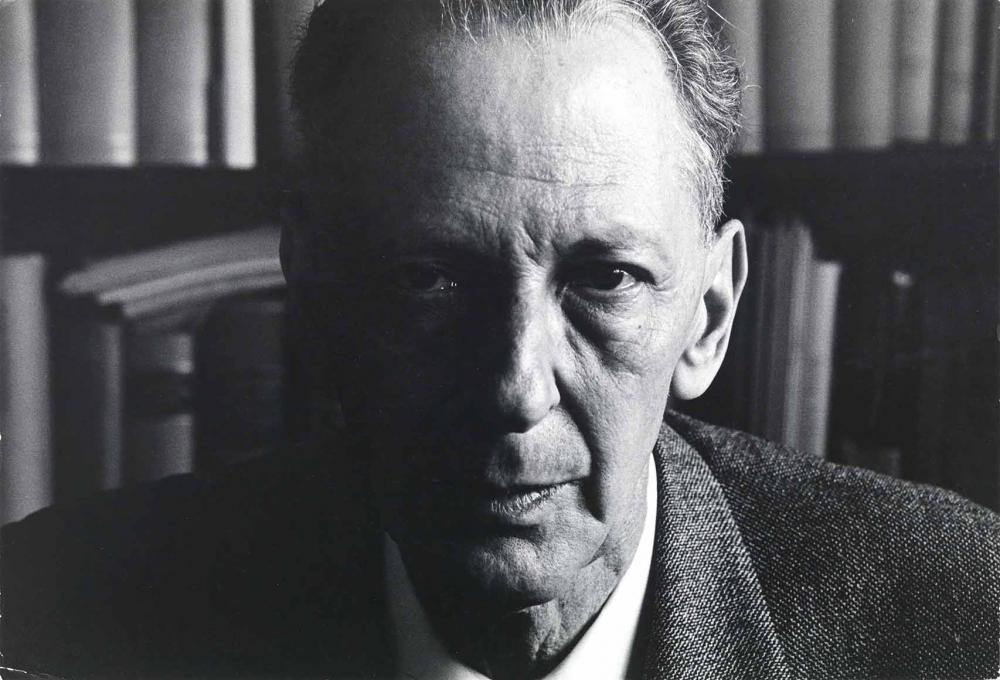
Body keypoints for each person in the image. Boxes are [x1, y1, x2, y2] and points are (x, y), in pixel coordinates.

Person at [3, 0, 999, 678]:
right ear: (314, 289)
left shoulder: (962, 618)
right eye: (430, 280)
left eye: (604, 278)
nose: (514, 386)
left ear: (709, 313)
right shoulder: (49, 623)